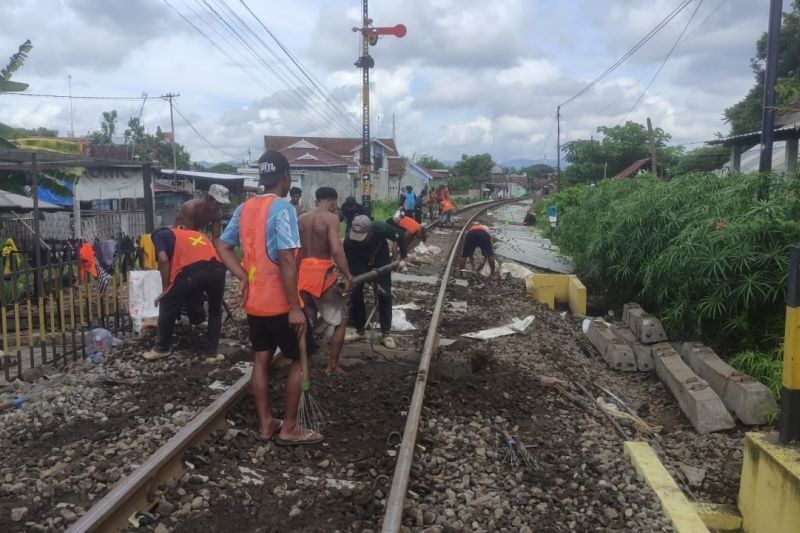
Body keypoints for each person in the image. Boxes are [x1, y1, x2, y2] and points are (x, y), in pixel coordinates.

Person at [215, 150, 321, 446]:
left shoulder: (245, 208)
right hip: (281, 304)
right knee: (301, 361)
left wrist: (242, 276)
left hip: (255, 304)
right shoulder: (284, 209)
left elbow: (222, 245)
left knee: (260, 360)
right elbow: (287, 259)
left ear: (263, 178)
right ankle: (289, 427)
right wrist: (294, 308)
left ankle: (265, 425)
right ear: (285, 177)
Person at [143, 226, 226, 364]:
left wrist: (165, 289)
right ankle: (212, 354)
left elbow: (163, 259)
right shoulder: (194, 233)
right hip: (217, 269)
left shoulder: (158, 235)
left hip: (192, 271)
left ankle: (161, 348)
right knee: (215, 311)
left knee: (167, 302)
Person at [298, 187, 354, 374]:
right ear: (332, 201)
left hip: (302, 276)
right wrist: (348, 275)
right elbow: (336, 250)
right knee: (341, 321)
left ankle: (300, 364)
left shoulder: (301, 219)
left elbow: (295, 250)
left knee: (307, 320)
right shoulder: (331, 218)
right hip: (322, 277)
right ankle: (332, 365)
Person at [344, 215, 407, 349]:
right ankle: (360, 331)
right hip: (360, 262)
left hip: (380, 257)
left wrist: (404, 257)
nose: (359, 240)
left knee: (384, 293)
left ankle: (386, 333)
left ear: (371, 231)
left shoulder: (381, 228)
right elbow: (351, 264)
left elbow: (400, 236)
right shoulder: (349, 241)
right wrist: (364, 276)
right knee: (355, 294)